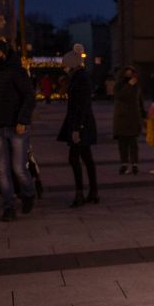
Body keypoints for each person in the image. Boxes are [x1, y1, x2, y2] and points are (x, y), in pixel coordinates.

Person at [0, 39, 37, 222]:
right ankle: (9, 207)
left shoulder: (17, 71)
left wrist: (23, 120)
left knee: (18, 168)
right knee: (2, 170)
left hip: (17, 128)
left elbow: (29, 97)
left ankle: (29, 193)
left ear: (4, 54)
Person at [57, 48, 99, 207]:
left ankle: (80, 193)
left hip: (81, 125)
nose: (64, 67)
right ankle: (92, 192)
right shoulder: (78, 77)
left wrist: (77, 129)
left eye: (66, 65)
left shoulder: (80, 79)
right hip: (82, 123)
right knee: (86, 157)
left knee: (74, 158)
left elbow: (82, 106)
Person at [113, 65, 142, 174]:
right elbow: (120, 96)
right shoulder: (119, 85)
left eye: (132, 73)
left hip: (133, 116)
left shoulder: (136, 85)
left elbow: (139, 100)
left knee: (133, 143)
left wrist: (143, 115)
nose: (130, 75)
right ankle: (124, 164)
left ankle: (134, 164)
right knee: (122, 143)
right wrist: (129, 85)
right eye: (128, 73)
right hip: (122, 117)